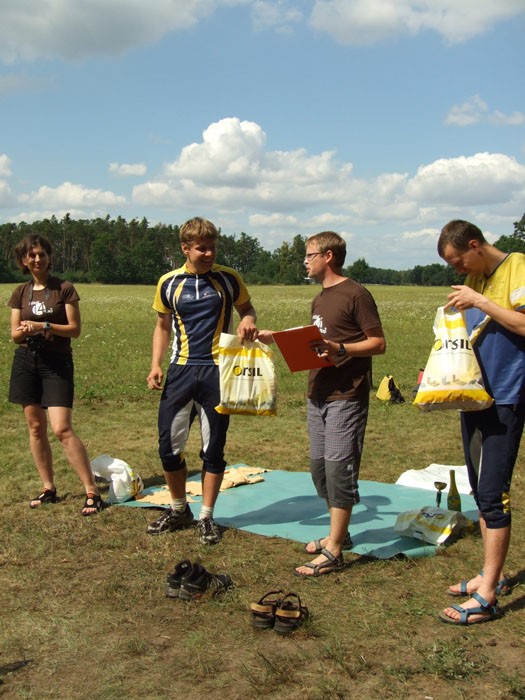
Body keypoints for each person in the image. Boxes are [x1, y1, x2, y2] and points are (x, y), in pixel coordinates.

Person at [259, 231, 385, 576]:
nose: (305, 261)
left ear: (328, 256)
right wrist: (278, 338)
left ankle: (334, 549)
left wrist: (341, 349)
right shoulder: (319, 299)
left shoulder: (356, 294)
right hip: (317, 393)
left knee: (338, 469)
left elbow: (378, 343)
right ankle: (338, 535)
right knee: (319, 469)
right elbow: (317, 340)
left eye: (309, 255)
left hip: (346, 394)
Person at [146, 217, 257, 545]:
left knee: (213, 449)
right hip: (180, 372)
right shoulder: (168, 282)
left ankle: (207, 516)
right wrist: (155, 364)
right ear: (185, 248)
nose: (208, 253)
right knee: (168, 447)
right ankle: (179, 509)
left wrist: (248, 321)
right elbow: (162, 326)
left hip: (217, 372)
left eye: (212, 247)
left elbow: (247, 309)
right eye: (201, 248)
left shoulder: (228, 278)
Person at [437, 219, 525, 625]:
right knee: (479, 491)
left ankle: (488, 594)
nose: (458, 270)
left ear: (475, 245)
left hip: (508, 396)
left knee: (494, 493)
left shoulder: (517, 267)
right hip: (475, 398)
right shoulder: (478, 281)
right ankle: (489, 573)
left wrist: (480, 301)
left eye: (458, 260)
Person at [8, 234, 104, 515]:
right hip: (26, 361)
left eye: (42, 254)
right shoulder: (20, 293)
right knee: (35, 427)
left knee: (61, 429)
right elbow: (14, 335)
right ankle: (48, 487)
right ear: (24, 260)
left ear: (49, 257)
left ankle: (91, 491)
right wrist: (25, 331)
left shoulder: (64, 289)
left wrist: (43, 325)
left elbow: (74, 329)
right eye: (32, 255)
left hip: (57, 362)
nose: (37, 259)